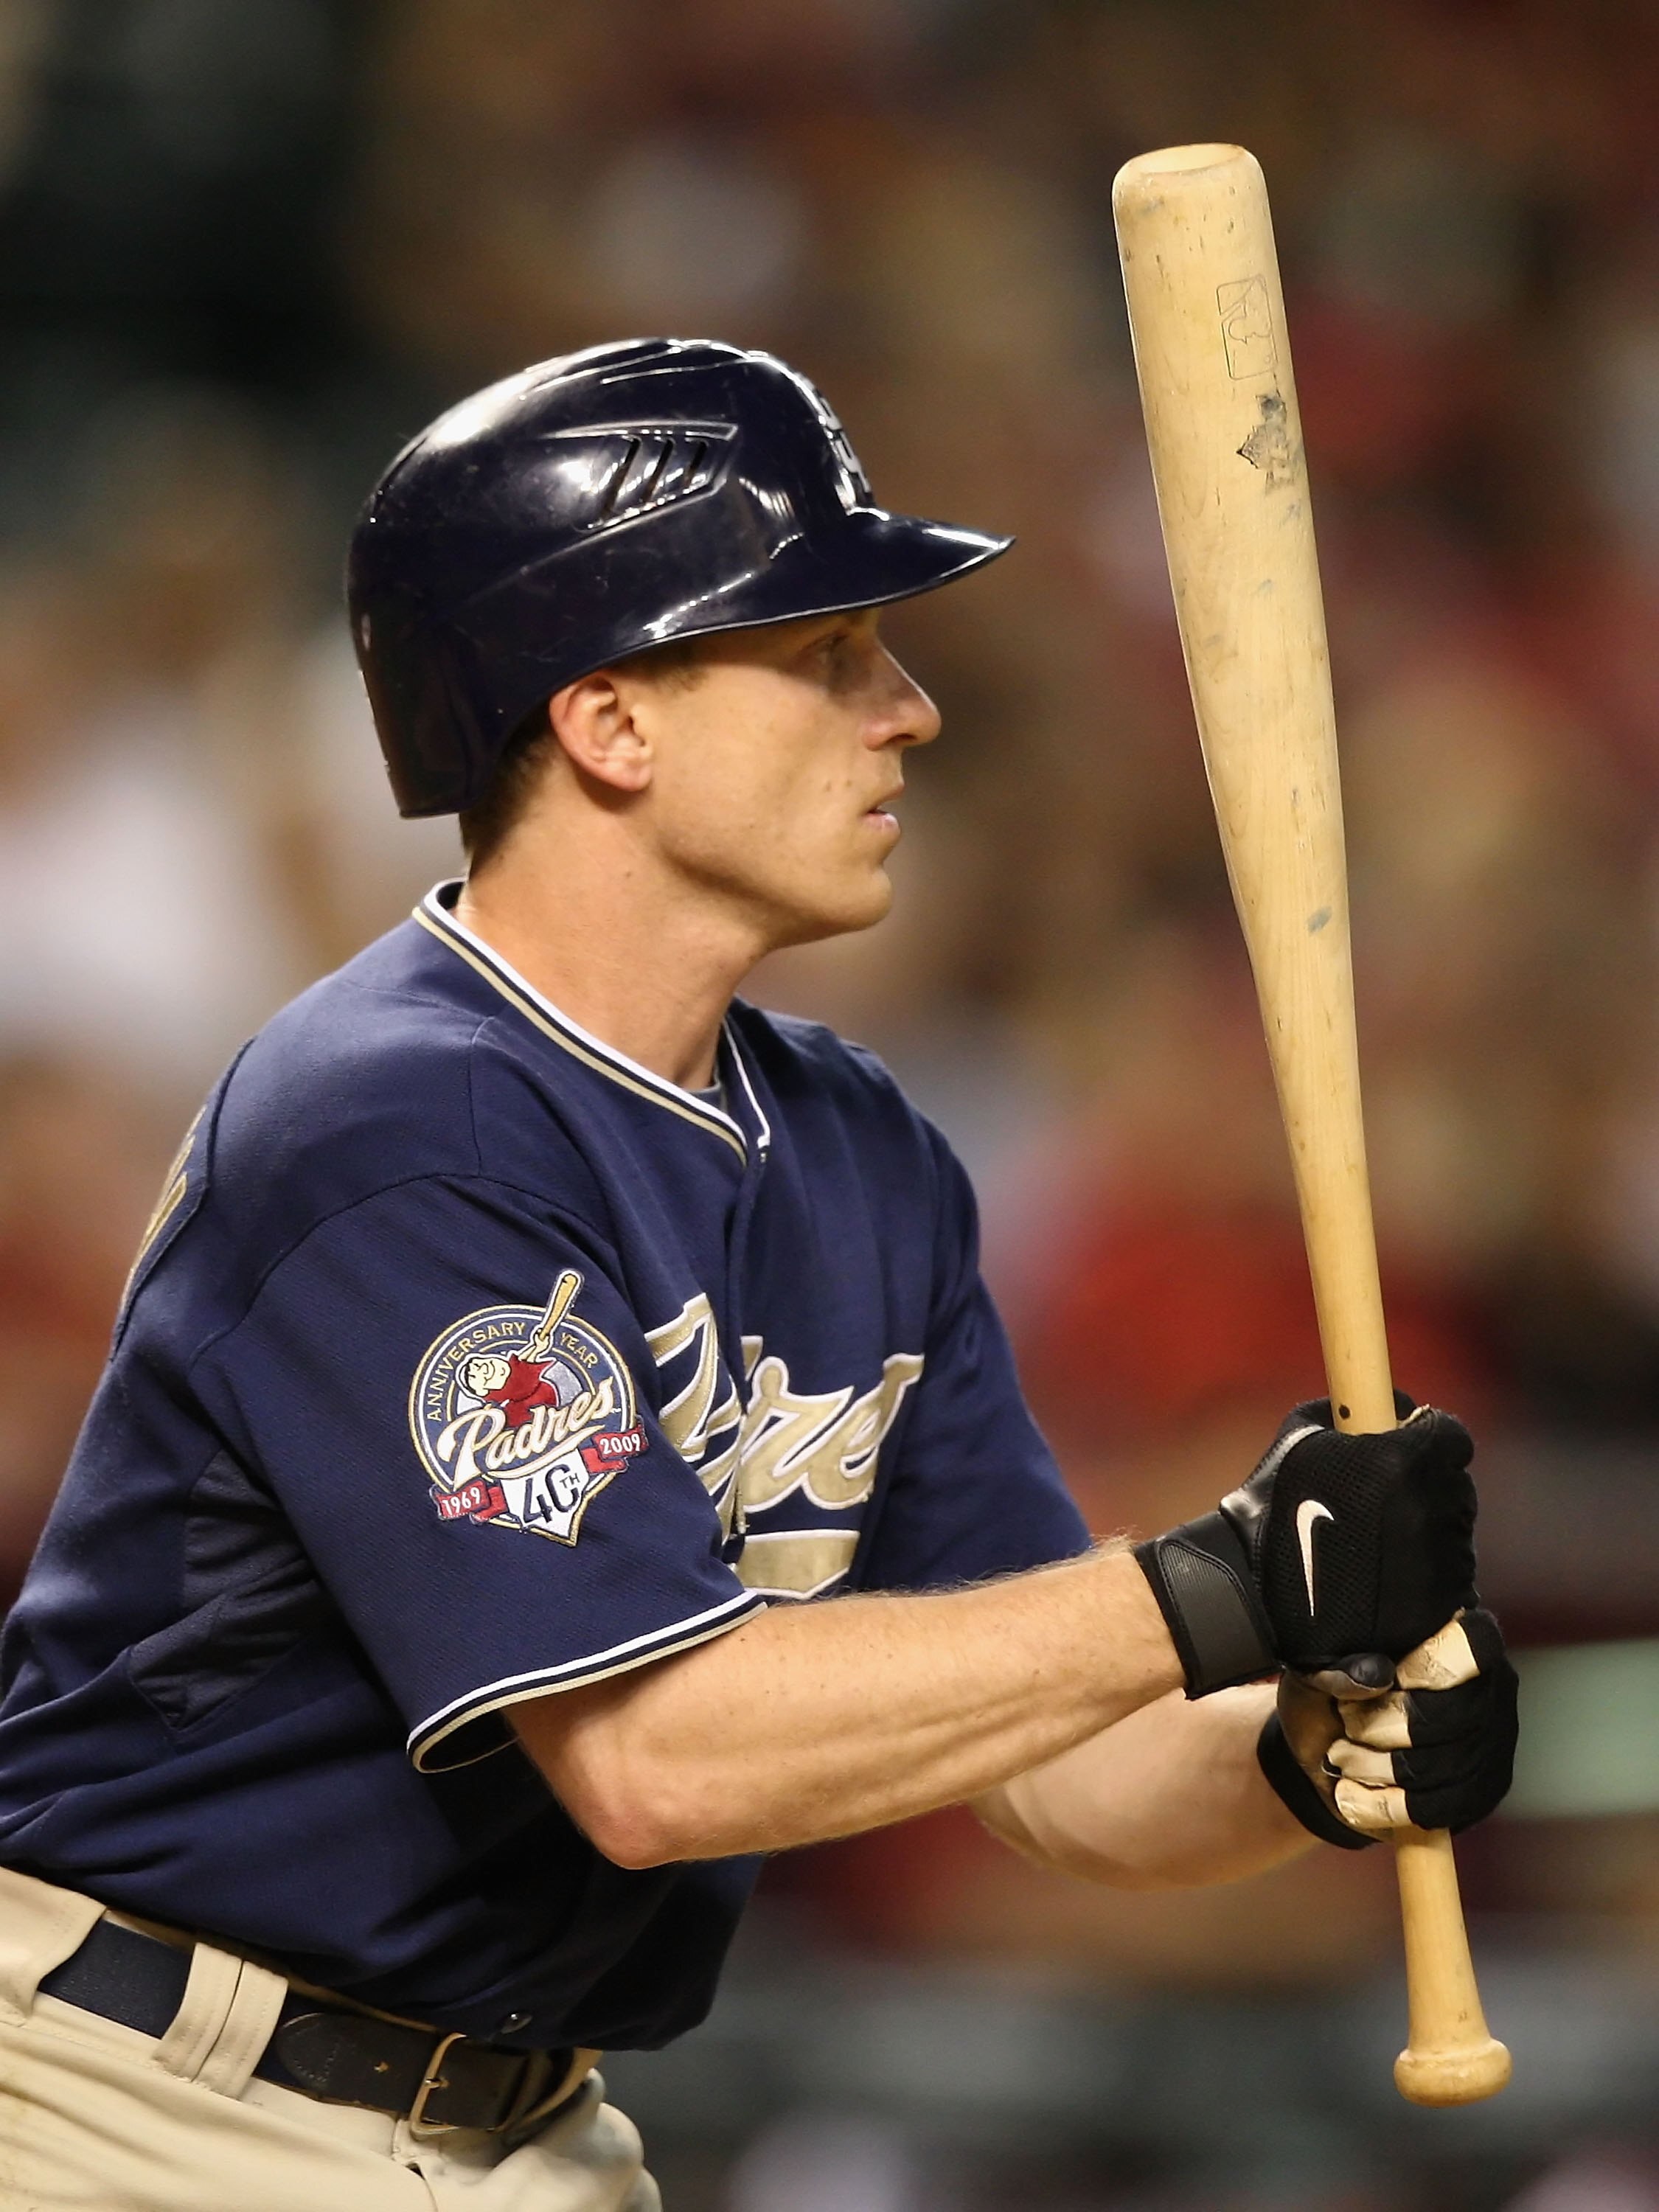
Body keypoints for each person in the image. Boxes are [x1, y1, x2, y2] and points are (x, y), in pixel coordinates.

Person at [0, 341, 1517, 2210]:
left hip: (523, 2125)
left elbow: (1061, 1771)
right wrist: (1217, 1586)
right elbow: (660, 1759)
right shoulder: (391, 1125)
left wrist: (1298, 1752)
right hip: (141, 2101)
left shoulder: (861, 1150)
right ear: (610, 723)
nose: (911, 712)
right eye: (829, 654)